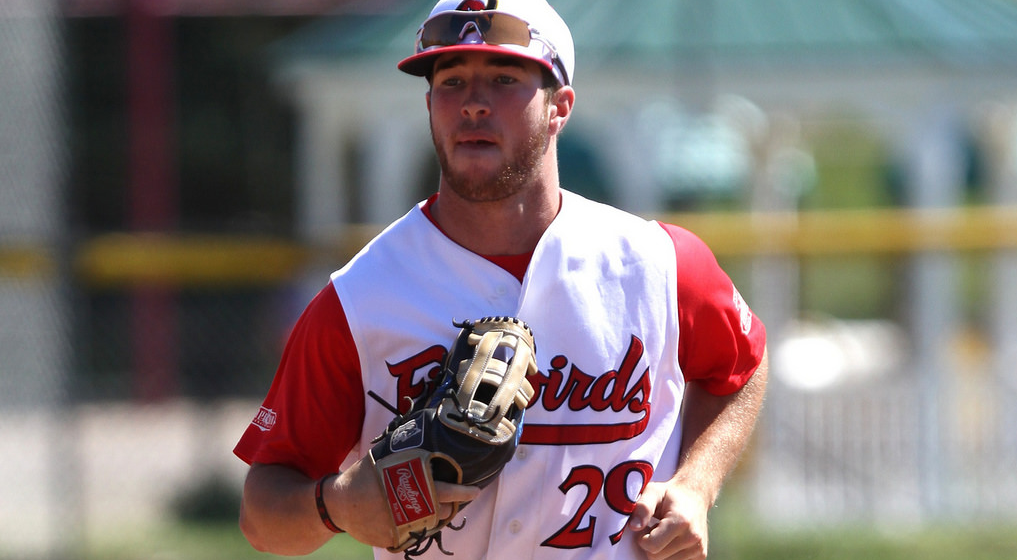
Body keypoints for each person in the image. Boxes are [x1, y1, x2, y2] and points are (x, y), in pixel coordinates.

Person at [234, 0, 768, 559]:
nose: (472, 104)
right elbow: (261, 515)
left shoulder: (656, 265)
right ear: (429, 104)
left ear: (560, 105)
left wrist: (695, 486)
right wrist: (337, 505)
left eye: (504, 79)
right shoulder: (361, 297)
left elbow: (743, 366)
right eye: (452, 81)